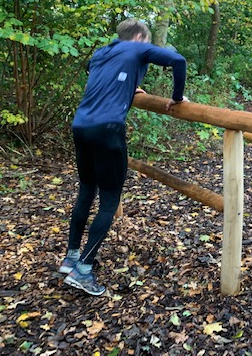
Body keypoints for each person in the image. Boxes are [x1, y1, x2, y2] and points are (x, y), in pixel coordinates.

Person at [60, 19, 187, 296]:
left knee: (86, 190)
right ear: (140, 37)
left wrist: (129, 86)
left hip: (80, 126)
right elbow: (178, 61)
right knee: (109, 200)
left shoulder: (102, 53)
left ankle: (71, 257)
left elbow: (97, 72)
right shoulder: (137, 48)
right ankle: (83, 270)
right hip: (107, 130)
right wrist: (177, 97)